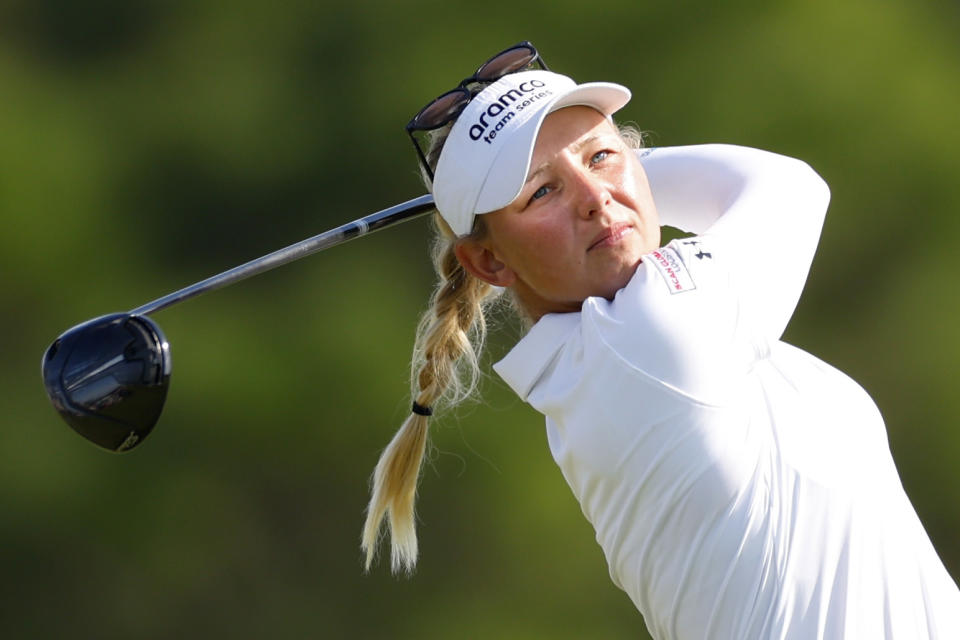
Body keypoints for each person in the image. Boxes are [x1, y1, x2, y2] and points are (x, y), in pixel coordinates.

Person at [361, 42, 960, 638]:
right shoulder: (650, 336)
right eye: (542, 193)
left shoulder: (597, 362)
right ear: (489, 262)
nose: (595, 198)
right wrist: (618, 166)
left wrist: (571, 174)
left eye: (601, 157)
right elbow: (789, 185)